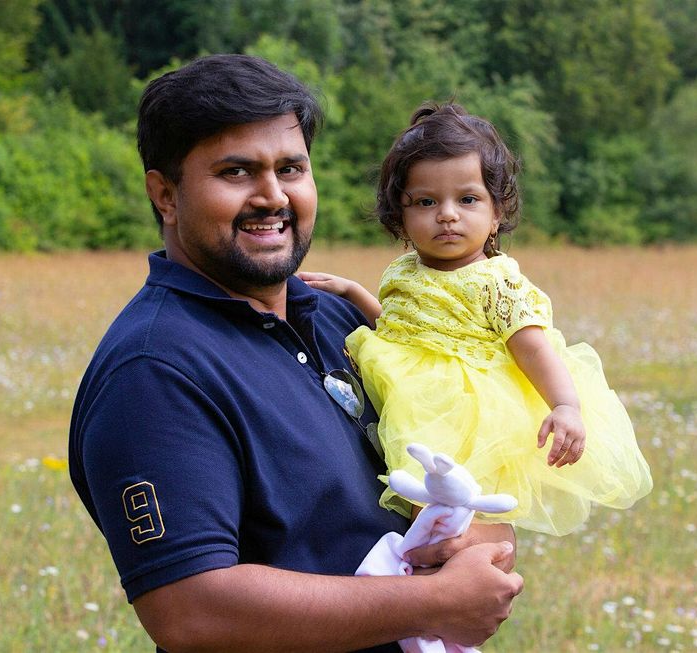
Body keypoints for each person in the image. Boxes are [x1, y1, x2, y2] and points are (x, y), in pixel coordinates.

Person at [68, 56, 522, 653]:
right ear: (166, 195)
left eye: (291, 168)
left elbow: (471, 479)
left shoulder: (341, 320)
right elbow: (188, 610)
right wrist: (433, 602)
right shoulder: (154, 371)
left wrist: (470, 544)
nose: (272, 196)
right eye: (236, 172)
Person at [299, 103, 652, 538]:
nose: (447, 214)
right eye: (426, 202)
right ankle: (413, 558)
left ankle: (452, 560)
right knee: (419, 504)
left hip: (468, 412)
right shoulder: (404, 270)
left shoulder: (495, 282)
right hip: (414, 398)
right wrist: (355, 293)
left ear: (496, 213)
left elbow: (533, 347)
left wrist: (565, 406)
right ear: (400, 217)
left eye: (467, 200)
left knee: (457, 514)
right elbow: (399, 330)